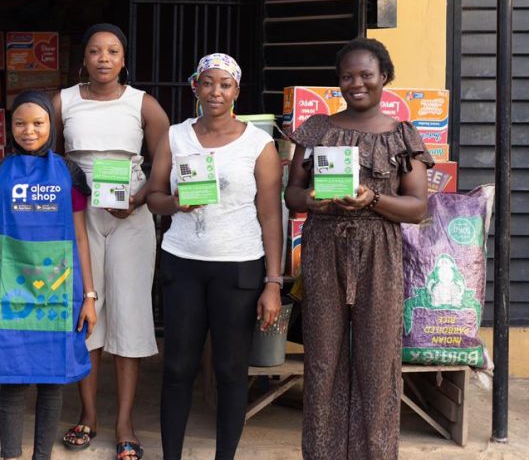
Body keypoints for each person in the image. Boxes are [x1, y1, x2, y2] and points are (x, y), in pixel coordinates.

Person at [284, 38, 432, 459]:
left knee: (379, 360)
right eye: (347, 76)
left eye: (366, 74)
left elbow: (417, 207)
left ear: (384, 76)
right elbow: (292, 194)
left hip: (380, 251)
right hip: (324, 248)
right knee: (323, 359)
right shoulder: (316, 130)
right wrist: (310, 200)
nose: (356, 83)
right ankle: (322, 452)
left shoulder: (402, 135)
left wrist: (374, 200)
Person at [146, 53, 283, 460]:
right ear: (196, 87)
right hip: (182, 262)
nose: (216, 92)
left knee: (230, 371)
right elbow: (153, 198)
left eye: (225, 84)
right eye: (207, 83)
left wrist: (273, 283)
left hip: (239, 266)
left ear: (237, 90)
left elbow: (270, 216)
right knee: (177, 368)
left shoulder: (259, 144)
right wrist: (175, 203)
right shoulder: (175, 136)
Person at [53, 23, 169, 460]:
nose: (104, 58)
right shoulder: (63, 101)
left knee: (130, 313)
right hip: (79, 215)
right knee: (87, 310)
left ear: (123, 59)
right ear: (83, 58)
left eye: (113, 51)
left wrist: (139, 199)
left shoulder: (142, 104)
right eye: (95, 51)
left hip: (130, 217)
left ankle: (124, 422)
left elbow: (166, 160)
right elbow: (45, 153)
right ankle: (88, 414)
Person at [0, 91, 98, 460]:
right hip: (8, 293)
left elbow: (81, 237)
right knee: (12, 383)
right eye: (20, 123)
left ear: (51, 126)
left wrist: (89, 297)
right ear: (10, 127)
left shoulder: (69, 173)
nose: (29, 131)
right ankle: (10, 456)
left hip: (61, 293)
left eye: (38, 123)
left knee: (52, 382)